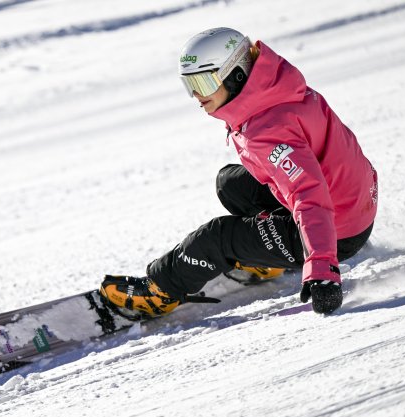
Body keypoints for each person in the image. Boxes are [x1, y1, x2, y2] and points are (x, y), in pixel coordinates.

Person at [100, 27, 378, 316]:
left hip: (338, 230)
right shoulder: (275, 90)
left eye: (204, 82)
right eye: (189, 84)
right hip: (351, 202)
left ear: (236, 75)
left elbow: (309, 194)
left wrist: (323, 268)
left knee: (216, 237)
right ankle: (266, 257)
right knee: (230, 183)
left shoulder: (269, 130)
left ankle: (160, 291)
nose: (196, 94)